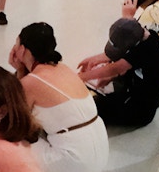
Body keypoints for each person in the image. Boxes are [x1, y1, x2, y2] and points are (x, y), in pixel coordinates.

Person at [8, 23, 108, 172]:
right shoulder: (63, 68)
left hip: (75, 158)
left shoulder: (31, 82)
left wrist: (19, 71)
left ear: (22, 50)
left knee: (9, 144)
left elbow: (14, 120)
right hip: (100, 148)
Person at [76, 18, 159, 127]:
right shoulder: (144, 37)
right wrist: (109, 76)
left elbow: (116, 68)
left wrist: (81, 77)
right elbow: (121, 65)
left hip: (140, 112)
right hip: (133, 91)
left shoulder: (145, 49)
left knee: (90, 110)